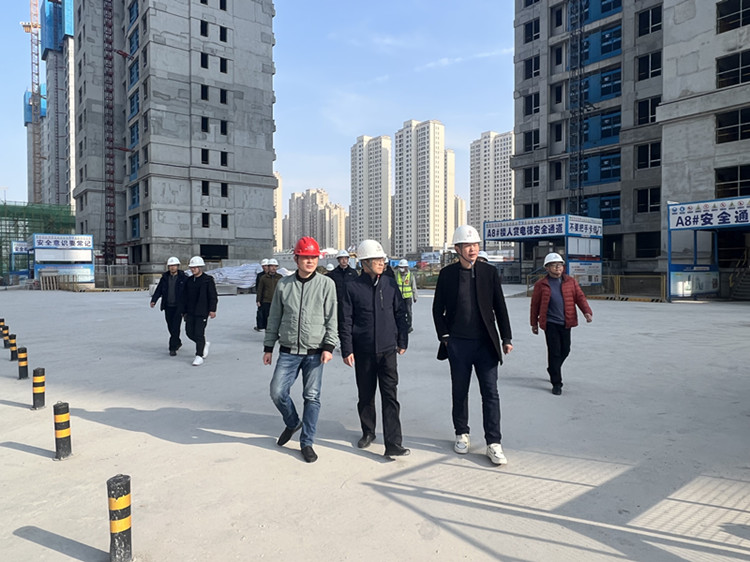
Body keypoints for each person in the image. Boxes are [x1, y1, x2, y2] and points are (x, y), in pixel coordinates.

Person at [432, 225, 513, 466]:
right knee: (460, 391)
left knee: (491, 393)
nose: (473, 249)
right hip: (458, 344)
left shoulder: (489, 273)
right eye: (467, 245)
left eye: (475, 245)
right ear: (457, 249)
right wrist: (445, 336)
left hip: (486, 344)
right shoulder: (447, 274)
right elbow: (437, 309)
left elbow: (500, 307)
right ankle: (461, 433)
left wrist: (506, 338)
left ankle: (494, 442)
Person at [263, 237, 339, 463]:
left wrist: (329, 346)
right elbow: (274, 317)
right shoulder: (284, 285)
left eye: (313, 257)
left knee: (312, 397)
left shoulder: (326, 284)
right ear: (296, 259)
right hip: (288, 351)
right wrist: (269, 346)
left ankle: (307, 442)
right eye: (305, 257)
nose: (310, 261)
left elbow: (332, 318)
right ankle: (292, 422)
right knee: (277, 392)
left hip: (315, 352)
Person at [340, 240, 410, 458]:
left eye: (382, 259)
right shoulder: (352, 287)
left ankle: (394, 443)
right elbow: (345, 320)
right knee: (366, 395)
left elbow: (400, 313)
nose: (382, 262)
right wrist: (347, 349)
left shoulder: (389, 284)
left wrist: (402, 340)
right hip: (363, 350)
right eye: (377, 259)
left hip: (388, 350)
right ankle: (368, 431)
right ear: (365, 263)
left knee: (390, 396)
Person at [530, 252, 593, 396]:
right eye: (554, 265)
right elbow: (535, 305)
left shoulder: (570, 282)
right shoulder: (541, 284)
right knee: (554, 352)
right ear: (547, 268)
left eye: (560, 265)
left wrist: (586, 312)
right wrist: (534, 323)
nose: (558, 268)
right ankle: (557, 383)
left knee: (566, 350)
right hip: (550, 323)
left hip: (566, 321)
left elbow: (580, 297)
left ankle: (553, 368)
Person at [183, 256, 218, 366]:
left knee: (199, 333)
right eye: (191, 267)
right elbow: (184, 297)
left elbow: (213, 295)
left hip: (202, 311)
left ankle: (199, 355)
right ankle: (203, 344)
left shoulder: (207, 280)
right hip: (190, 311)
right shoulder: (189, 281)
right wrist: (183, 311)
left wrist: (212, 309)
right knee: (189, 332)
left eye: (195, 267)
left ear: (200, 267)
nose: (193, 269)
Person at [150, 256, 187, 356]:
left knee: (175, 327)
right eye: (170, 266)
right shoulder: (165, 278)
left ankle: (172, 347)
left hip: (178, 307)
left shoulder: (184, 278)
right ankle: (177, 341)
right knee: (170, 326)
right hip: (168, 306)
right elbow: (159, 290)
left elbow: (188, 293)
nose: (172, 267)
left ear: (178, 266)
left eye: (174, 265)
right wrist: (154, 300)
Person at [255, 259, 282, 332]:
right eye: (272, 266)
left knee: (277, 316)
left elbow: (283, 289)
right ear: (268, 267)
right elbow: (259, 289)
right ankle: (268, 330)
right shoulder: (263, 278)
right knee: (266, 316)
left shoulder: (280, 277)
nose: (273, 268)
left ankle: (276, 330)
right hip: (266, 301)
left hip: (277, 301)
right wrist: (258, 300)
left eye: (275, 266)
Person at [395, 259, 418, 332]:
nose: (401, 269)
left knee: (408, 312)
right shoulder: (396, 275)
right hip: (399, 297)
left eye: (403, 267)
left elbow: (413, 286)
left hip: (407, 297)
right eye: (400, 267)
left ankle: (409, 326)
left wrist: (415, 296)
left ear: (406, 267)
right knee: (399, 312)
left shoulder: (410, 276)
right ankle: (400, 325)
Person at [254, 259, 269, 331]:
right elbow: (258, 288)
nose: (264, 267)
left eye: (266, 266)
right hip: (262, 297)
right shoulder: (260, 275)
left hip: (270, 298)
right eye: (263, 266)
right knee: (260, 312)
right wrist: (258, 299)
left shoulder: (274, 276)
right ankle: (260, 326)